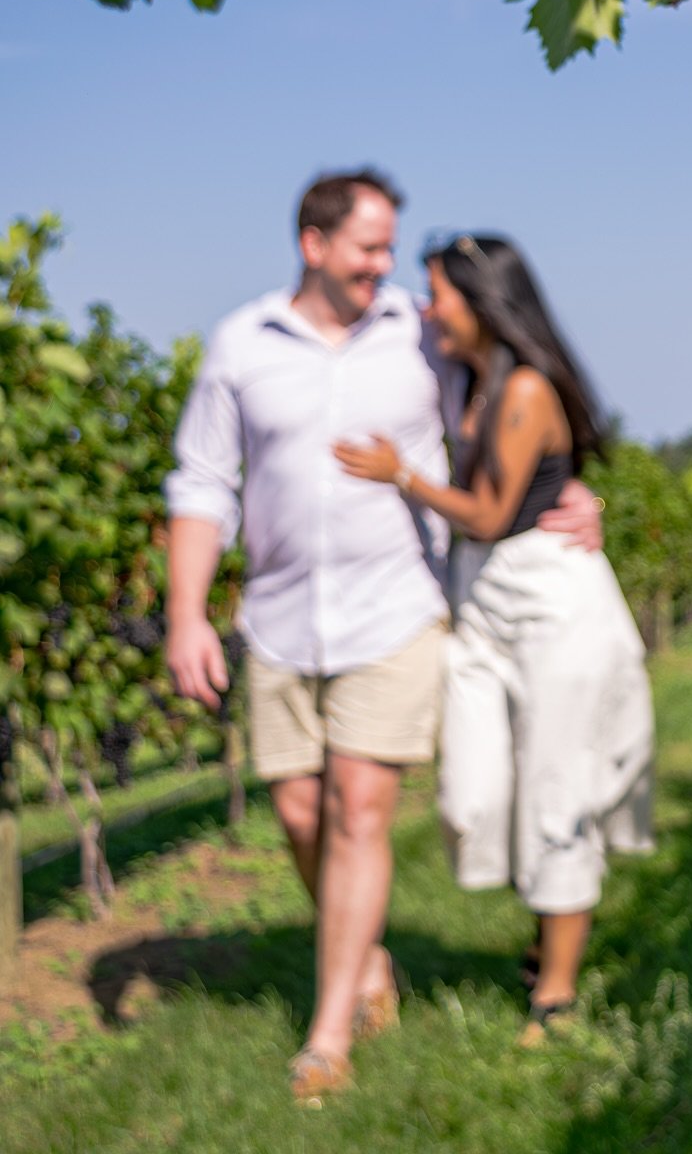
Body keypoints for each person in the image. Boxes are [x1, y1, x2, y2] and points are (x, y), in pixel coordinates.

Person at [164, 172, 603, 1104]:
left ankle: (327, 1038)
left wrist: (566, 490)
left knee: (362, 809)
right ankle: (364, 963)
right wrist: (185, 614)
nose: (384, 266)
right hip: (281, 617)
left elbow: (513, 409)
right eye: (368, 247)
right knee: (298, 813)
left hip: (395, 608)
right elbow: (202, 482)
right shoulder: (242, 344)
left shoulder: (420, 332)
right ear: (312, 244)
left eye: (389, 248)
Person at [335, 233, 654, 1042]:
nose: (427, 306)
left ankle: (554, 993)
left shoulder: (521, 392)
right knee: (476, 793)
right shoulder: (471, 381)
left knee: (557, 789)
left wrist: (400, 475)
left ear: (481, 301)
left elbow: (488, 513)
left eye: (437, 291)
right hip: (485, 604)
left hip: (551, 605)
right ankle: (546, 930)